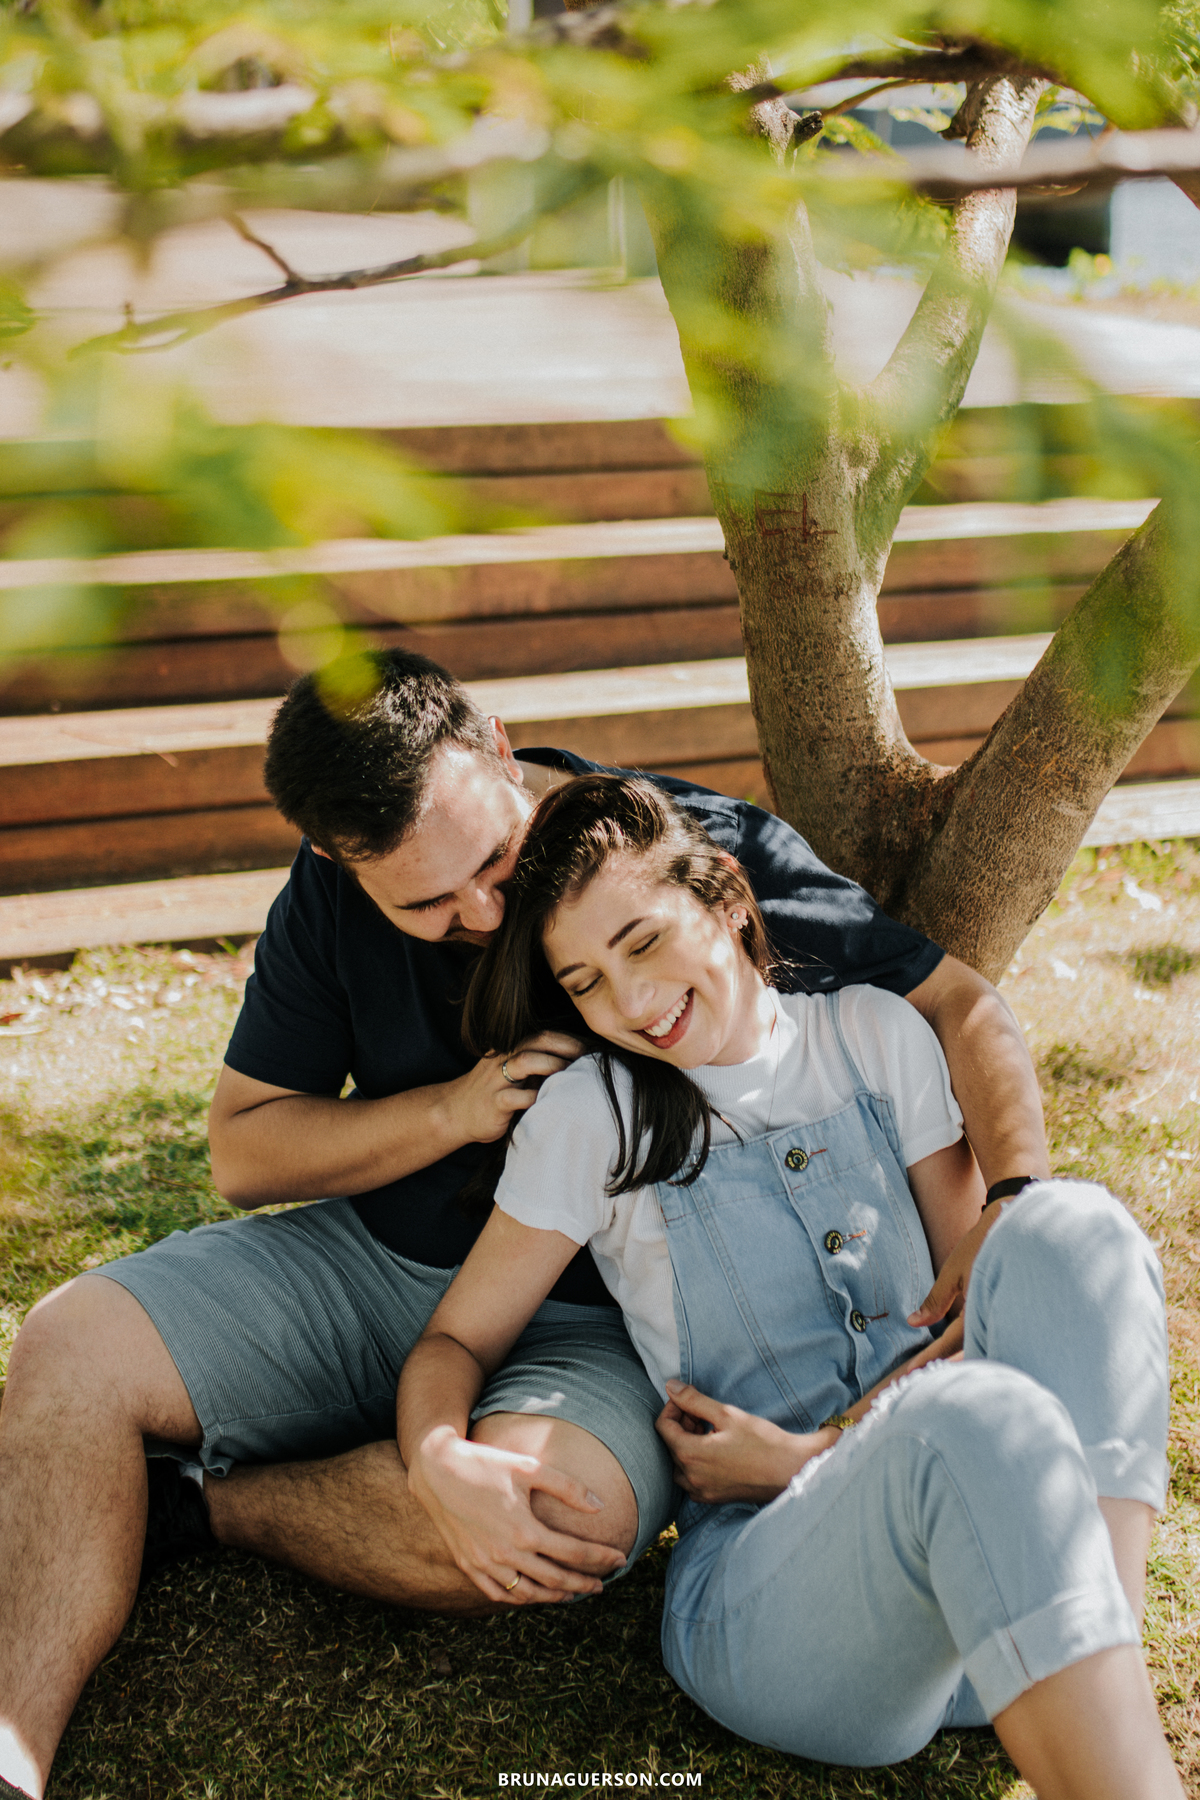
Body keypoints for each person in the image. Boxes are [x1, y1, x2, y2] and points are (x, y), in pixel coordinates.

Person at [0, 651, 1049, 1800]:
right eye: (425, 902)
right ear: (332, 857)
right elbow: (245, 1149)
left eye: (493, 861)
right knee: (69, 1345)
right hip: (369, 1263)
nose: (484, 912)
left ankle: (209, 1506)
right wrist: (448, 1112)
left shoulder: (667, 857)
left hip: (593, 1331)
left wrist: (1015, 1199)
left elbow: (953, 1000)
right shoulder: (325, 899)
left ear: (500, 747)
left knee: (549, 1521)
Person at [398, 774, 1179, 1797]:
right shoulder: (594, 1115)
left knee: (1067, 1225)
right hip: (781, 1605)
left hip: (982, 1544)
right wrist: (434, 1459)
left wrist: (811, 1455)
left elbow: (975, 1299)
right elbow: (455, 1344)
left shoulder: (872, 1033)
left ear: (726, 896)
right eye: (586, 983)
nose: (632, 1004)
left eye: (642, 942)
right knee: (970, 1413)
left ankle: (1090, 1637)